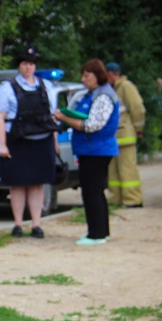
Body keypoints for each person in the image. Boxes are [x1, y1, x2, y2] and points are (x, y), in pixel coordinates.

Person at [0, 46, 60, 239]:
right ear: (19, 66)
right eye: (24, 63)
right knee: (17, 184)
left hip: (42, 140)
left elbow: (52, 117)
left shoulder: (46, 85)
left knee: (38, 184)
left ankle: (36, 224)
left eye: (31, 64)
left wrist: (54, 141)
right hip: (18, 141)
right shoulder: (7, 88)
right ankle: (18, 224)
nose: (28, 67)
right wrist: (2, 144)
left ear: (35, 66)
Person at [54, 59, 119, 246]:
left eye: (87, 76)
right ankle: (101, 231)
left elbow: (92, 125)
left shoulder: (104, 96)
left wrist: (65, 117)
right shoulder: (90, 94)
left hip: (97, 150)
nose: (83, 79)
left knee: (92, 192)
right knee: (95, 191)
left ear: (97, 76)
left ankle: (96, 234)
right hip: (91, 149)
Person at [105, 62, 146, 208]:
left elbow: (138, 109)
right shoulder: (112, 89)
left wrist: (138, 128)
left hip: (125, 136)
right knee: (114, 172)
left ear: (110, 74)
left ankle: (133, 200)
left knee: (127, 170)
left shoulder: (126, 87)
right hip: (113, 138)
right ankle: (115, 198)